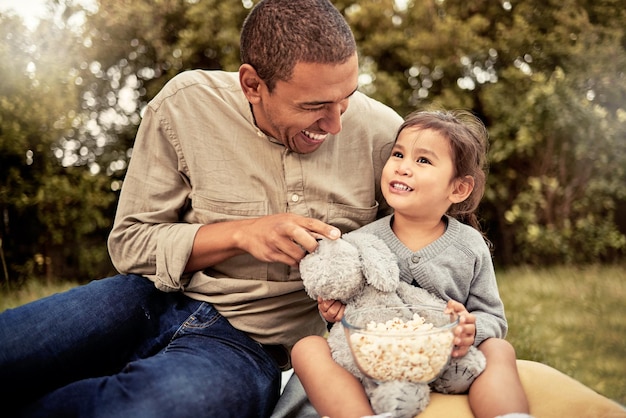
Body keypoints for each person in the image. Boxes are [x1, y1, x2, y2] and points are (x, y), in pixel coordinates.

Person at [0, 0, 403, 417]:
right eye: (313, 106)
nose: (335, 123)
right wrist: (242, 234)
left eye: (347, 98)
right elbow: (130, 244)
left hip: (246, 346)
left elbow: (416, 255)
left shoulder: (385, 136)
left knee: (148, 408)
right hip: (146, 298)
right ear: (252, 85)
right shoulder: (185, 104)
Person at [291, 110, 531, 418]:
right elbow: (348, 308)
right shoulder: (361, 242)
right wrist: (333, 312)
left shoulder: (469, 246)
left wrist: (470, 329)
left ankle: (506, 414)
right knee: (307, 349)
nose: (403, 167)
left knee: (500, 350)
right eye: (398, 154)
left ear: (458, 188)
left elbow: (493, 318)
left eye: (423, 161)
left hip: (447, 361)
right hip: (376, 363)